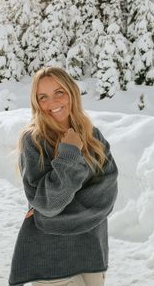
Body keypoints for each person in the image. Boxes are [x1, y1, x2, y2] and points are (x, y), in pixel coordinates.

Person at [8, 67, 118, 286]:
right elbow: (48, 205)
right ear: (36, 102)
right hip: (52, 257)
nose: (53, 102)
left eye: (59, 92)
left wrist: (60, 215)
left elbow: (107, 194)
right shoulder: (34, 141)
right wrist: (69, 156)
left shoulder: (92, 135)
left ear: (72, 93)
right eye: (43, 97)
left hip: (91, 250)